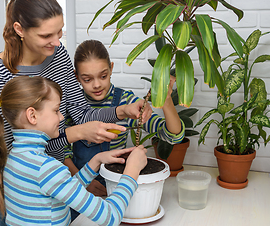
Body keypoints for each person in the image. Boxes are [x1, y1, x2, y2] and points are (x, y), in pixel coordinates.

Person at [0, 0, 152, 164]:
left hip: (57, 174)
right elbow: (15, 149)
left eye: (59, 31)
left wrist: (122, 111)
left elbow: (82, 115)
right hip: (26, 182)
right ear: (19, 30)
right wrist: (77, 133)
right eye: (46, 35)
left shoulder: (58, 54)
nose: (57, 42)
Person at [0, 76, 148, 226]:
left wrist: (95, 160)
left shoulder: (15, 158)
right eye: (56, 110)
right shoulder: (45, 167)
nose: (62, 117)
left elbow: (62, 189)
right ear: (32, 116)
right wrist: (132, 171)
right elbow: (110, 217)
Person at [65, 39, 185, 198]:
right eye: (87, 79)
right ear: (76, 76)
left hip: (115, 189)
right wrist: (82, 182)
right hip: (78, 187)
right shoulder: (72, 105)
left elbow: (173, 136)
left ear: (111, 68)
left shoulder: (126, 102)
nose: (96, 85)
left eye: (103, 76)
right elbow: (61, 151)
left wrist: (167, 101)